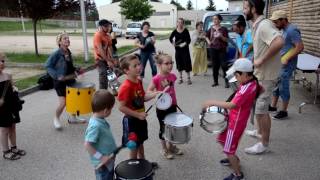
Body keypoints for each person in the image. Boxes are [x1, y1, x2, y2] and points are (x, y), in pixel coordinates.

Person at [203, 58, 261, 180]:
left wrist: (212, 102)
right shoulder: (254, 82)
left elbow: (232, 105)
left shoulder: (245, 88)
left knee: (228, 149)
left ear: (245, 74)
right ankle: (233, 159)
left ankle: (238, 174)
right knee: (221, 140)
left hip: (235, 124)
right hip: (234, 119)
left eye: (236, 74)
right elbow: (262, 90)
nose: (235, 77)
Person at [243, 0, 284, 154]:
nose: (244, 10)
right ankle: (259, 131)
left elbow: (279, 41)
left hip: (267, 76)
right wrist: (251, 55)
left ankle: (263, 144)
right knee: (258, 107)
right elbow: (261, 44)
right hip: (261, 74)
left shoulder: (264, 25)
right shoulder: (256, 25)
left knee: (261, 110)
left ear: (253, 9)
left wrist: (261, 59)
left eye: (246, 7)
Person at [117, 54, 159, 167]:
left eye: (139, 64)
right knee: (134, 146)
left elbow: (143, 97)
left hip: (140, 118)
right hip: (131, 121)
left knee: (140, 142)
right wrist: (137, 114)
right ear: (126, 70)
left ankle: (143, 162)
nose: (139, 67)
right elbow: (121, 107)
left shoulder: (138, 81)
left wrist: (155, 95)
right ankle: (133, 169)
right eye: (134, 66)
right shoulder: (126, 87)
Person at [147, 53, 184, 160]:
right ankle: (164, 149)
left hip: (173, 105)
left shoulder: (172, 76)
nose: (170, 65)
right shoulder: (156, 79)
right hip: (162, 109)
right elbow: (148, 91)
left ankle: (171, 146)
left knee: (172, 127)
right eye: (166, 63)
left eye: (171, 63)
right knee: (163, 128)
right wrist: (156, 93)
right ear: (159, 65)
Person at [269, 10, 304, 120]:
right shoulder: (284, 29)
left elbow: (300, 47)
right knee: (277, 86)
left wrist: (286, 58)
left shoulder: (292, 30)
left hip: (287, 65)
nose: (275, 24)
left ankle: (284, 111)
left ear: (283, 20)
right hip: (280, 64)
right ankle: (273, 106)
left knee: (283, 87)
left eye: (276, 21)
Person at [46, 33, 81, 130]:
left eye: (68, 38)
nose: (68, 40)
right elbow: (48, 66)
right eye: (65, 38)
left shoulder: (68, 52)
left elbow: (69, 66)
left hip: (70, 78)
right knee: (63, 102)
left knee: (74, 99)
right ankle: (56, 118)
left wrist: (76, 69)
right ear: (60, 42)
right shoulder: (56, 53)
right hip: (60, 81)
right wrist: (57, 76)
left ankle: (73, 118)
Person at [84, 90, 117, 180]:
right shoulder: (95, 125)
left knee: (110, 176)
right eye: (111, 109)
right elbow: (87, 145)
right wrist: (101, 157)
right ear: (106, 110)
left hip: (108, 160)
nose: (111, 111)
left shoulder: (99, 119)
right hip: (102, 164)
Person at [0, 53, 26, 160]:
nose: (2, 63)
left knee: (12, 127)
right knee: (4, 129)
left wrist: (15, 87)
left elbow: (12, 88)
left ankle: (14, 147)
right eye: (0, 61)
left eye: (3, 61)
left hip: (11, 105)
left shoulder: (7, 76)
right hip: (1, 108)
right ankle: (5, 151)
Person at [206, 14, 229, 88]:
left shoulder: (224, 29)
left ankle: (226, 81)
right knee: (215, 66)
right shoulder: (211, 28)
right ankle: (215, 81)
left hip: (222, 49)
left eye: (216, 19)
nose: (214, 20)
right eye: (213, 19)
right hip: (213, 49)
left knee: (224, 66)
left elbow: (226, 40)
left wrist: (221, 36)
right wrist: (209, 42)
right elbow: (206, 36)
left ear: (219, 20)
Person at [169, 18, 192, 85]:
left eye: (181, 22)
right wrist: (173, 43)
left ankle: (188, 78)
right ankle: (180, 78)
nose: (180, 24)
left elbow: (189, 40)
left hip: (185, 50)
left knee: (187, 63)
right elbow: (170, 38)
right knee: (179, 64)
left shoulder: (186, 30)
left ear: (183, 23)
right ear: (177, 23)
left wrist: (184, 44)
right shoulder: (175, 31)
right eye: (178, 22)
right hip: (178, 50)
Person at [93, 19, 114, 89]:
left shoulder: (108, 36)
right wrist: (107, 61)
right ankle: (102, 94)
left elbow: (110, 48)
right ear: (101, 26)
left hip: (107, 58)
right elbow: (100, 50)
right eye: (106, 26)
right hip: (99, 59)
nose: (108, 28)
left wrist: (112, 59)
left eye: (108, 26)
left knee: (111, 75)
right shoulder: (97, 35)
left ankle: (114, 91)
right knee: (103, 75)